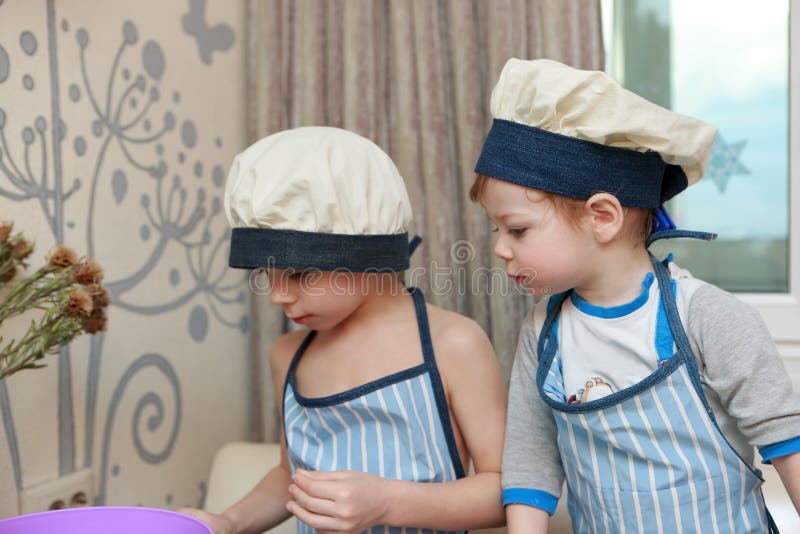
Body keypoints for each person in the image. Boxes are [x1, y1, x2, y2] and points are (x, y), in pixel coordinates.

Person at [470, 58, 800, 533]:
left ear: (602, 216)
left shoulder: (706, 317)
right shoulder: (544, 332)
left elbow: (786, 438)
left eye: (517, 230)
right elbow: (530, 464)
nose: (500, 249)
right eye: (498, 230)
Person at [180, 126, 507, 534]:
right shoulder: (288, 355)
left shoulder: (453, 344)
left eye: (299, 274)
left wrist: (387, 502)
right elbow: (291, 476)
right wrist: (227, 522)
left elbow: (505, 491)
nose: (277, 296)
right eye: (267, 273)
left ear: (366, 253)